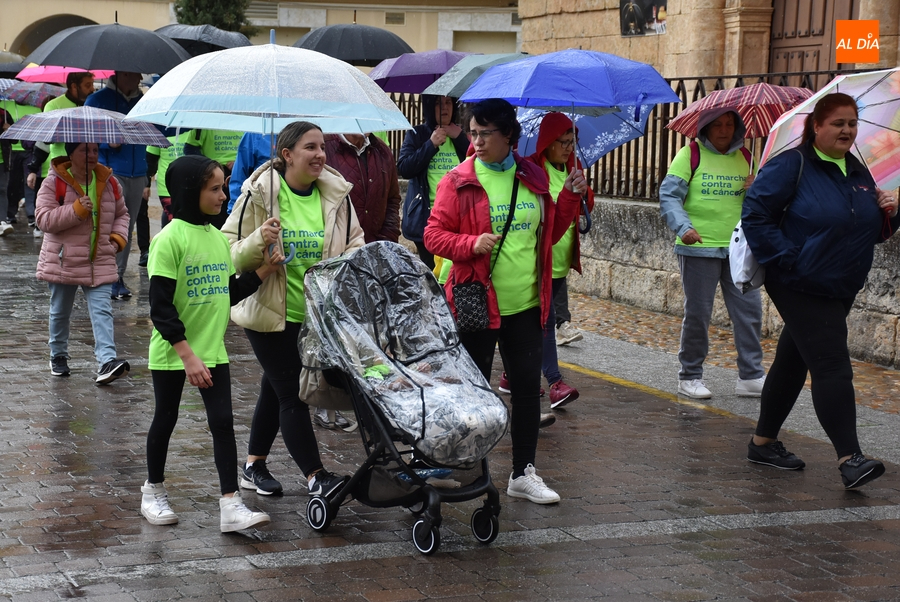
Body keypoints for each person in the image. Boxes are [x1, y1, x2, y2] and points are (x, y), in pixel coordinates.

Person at [424, 99, 582, 504]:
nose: (475, 141)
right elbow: (433, 236)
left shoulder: (531, 176)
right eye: (472, 132)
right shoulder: (458, 180)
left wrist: (569, 198)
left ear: (509, 135)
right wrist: (470, 243)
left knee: (529, 391)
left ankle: (523, 472)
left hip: (527, 305)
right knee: (469, 392)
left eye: (484, 134)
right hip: (477, 304)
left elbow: (548, 233)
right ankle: (457, 465)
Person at [741, 92, 899, 489]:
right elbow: (756, 215)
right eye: (838, 123)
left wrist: (893, 212)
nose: (847, 130)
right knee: (831, 363)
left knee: (795, 358)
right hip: (798, 281)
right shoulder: (790, 166)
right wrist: (788, 258)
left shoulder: (858, 171)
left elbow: (872, 230)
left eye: (852, 123)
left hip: (840, 283)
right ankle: (850, 458)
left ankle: (763, 442)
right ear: (816, 126)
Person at [221, 121, 365, 497]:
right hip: (270, 314)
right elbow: (229, 253)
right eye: (310, 147)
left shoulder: (337, 194)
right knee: (293, 393)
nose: (320, 154)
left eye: (322, 147)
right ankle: (317, 476)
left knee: (275, 386)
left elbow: (354, 244)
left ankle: (253, 466)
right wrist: (259, 240)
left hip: (316, 316)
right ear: (287, 155)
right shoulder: (260, 194)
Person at [142, 155, 279, 532]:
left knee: (222, 422)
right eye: (215, 188)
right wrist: (187, 356)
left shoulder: (218, 239)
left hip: (213, 350)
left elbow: (227, 291)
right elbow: (160, 308)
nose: (223, 196)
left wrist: (264, 270)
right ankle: (152, 490)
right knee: (165, 419)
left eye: (223, 187)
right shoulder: (168, 239)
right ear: (190, 191)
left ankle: (230, 504)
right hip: (175, 352)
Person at [659, 108, 766, 400]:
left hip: (738, 248)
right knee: (698, 314)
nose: (723, 130)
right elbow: (669, 196)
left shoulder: (746, 157)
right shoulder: (689, 155)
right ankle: (690, 375)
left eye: (729, 124)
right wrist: (683, 227)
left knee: (750, 313)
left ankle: (751, 375)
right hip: (698, 247)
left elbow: (757, 205)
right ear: (706, 127)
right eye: (717, 124)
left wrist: (756, 189)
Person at [34, 143, 131, 384]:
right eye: (84, 150)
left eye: (95, 150)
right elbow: (43, 219)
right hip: (64, 259)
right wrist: (75, 209)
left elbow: (122, 214)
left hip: (99, 258)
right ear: (71, 153)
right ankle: (58, 354)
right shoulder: (53, 182)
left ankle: (107, 361)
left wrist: (117, 241)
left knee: (102, 310)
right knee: (60, 311)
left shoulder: (109, 182)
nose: (91, 155)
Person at [84, 71, 150, 300]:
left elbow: (161, 130)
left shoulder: (144, 102)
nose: (140, 78)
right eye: (135, 74)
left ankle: (117, 276)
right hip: (110, 172)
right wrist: (106, 143)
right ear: (121, 74)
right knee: (106, 224)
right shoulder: (97, 100)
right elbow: (82, 135)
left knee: (126, 227)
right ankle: (103, 274)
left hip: (137, 173)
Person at [398, 95, 469, 270]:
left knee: (454, 272)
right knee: (431, 275)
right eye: (438, 103)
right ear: (429, 107)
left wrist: (459, 138)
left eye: (448, 102)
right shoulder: (418, 134)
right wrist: (431, 144)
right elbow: (404, 167)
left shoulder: (462, 134)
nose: (444, 107)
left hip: (459, 218)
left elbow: (479, 161)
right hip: (426, 218)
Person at [184, 129, 243, 230]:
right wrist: (212, 165)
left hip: (241, 173)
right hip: (212, 175)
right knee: (215, 218)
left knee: (239, 217)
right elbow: (189, 149)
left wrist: (239, 164)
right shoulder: (203, 124)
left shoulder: (247, 121)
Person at [228, 132, 270, 212]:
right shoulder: (255, 134)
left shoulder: (300, 132)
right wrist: (235, 210)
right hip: (261, 207)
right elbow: (239, 176)